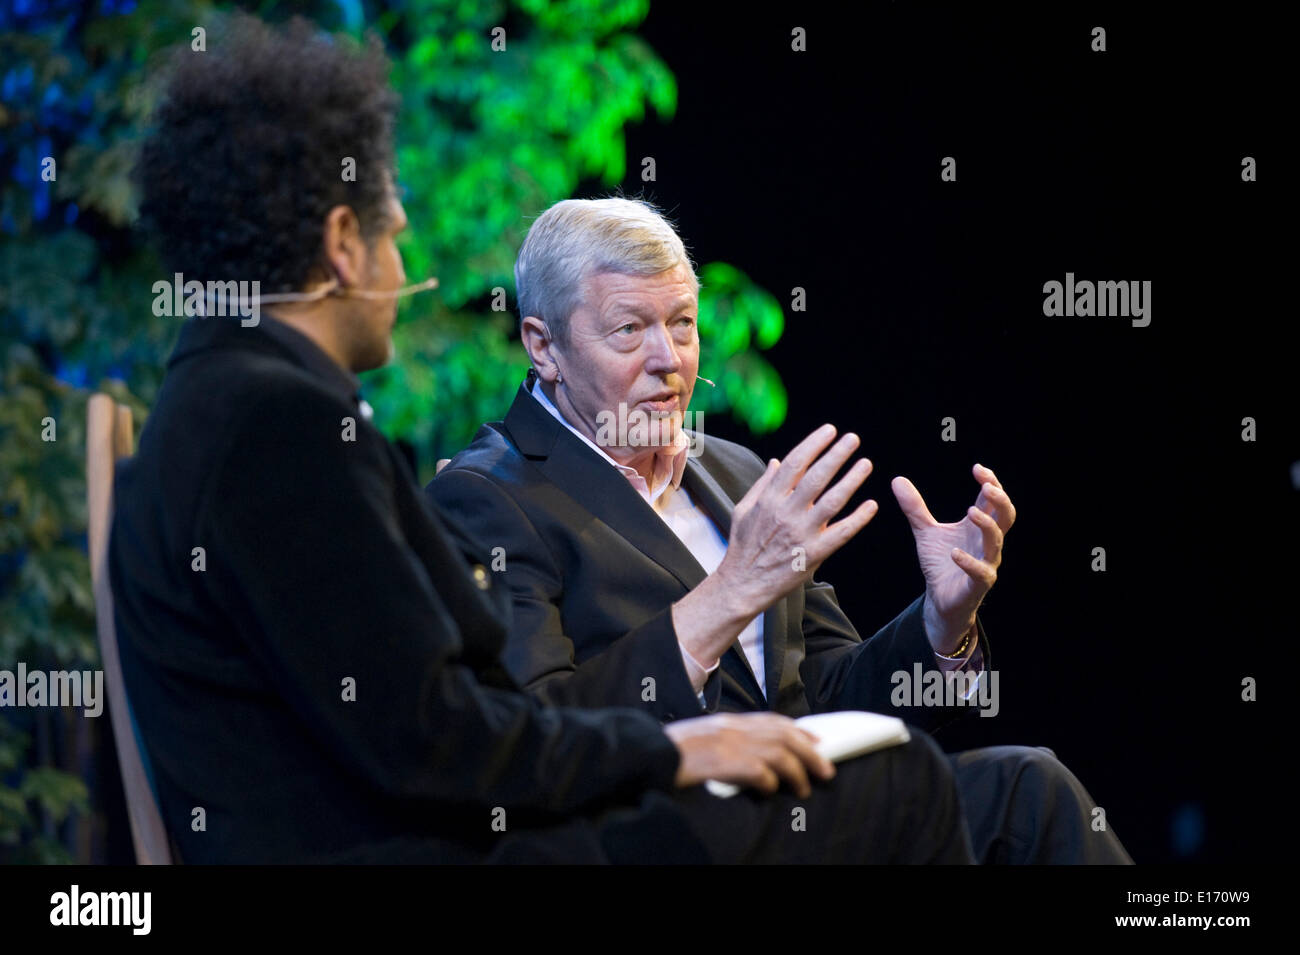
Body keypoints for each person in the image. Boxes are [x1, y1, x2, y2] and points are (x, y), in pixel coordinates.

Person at [109, 12, 974, 864]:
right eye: (395, 237)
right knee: (900, 784)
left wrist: (943, 623)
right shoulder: (280, 427)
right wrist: (675, 751)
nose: (407, 272)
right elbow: (439, 738)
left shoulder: (218, 401)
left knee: (1007, 783)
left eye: (682, 322)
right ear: (343, 246)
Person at [429, 197, 1134, 864]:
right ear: (542, 346)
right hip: (662, 837)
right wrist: (731, 590)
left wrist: (941, 625)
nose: (668, 360)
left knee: (1028, 789)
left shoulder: (734, 474)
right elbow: (531, 737)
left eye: (681, 323)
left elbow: (830, 695)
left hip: (805, 819)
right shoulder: (486, 496)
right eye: (628, 329)